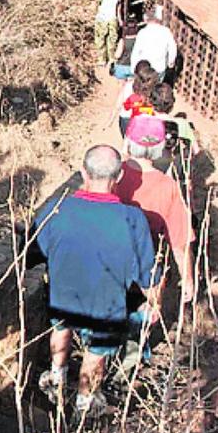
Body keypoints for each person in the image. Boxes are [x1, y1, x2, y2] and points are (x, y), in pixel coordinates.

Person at [32, 145, 160, 415]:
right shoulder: (132, 219)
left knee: (61, 329)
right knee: (96, 352)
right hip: (107, 303)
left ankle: (56, 377)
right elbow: (148, 274)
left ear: (83, 172)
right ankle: (86, 403)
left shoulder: (57, 209)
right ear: (120, 177)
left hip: (63, 297)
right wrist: (154, 303)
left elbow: (33, 251)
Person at [116, 116, 195, 305]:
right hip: (147, 262)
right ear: (160, 148)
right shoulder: (168, 186)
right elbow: (179, 243)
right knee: (150, 309)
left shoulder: (110, 174)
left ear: (127, 142)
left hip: (111, 258)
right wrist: (188, 278)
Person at [129, 4, 178, 81]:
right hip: (159, 68)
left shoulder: (142, 32)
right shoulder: (166, 31)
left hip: (144, 69)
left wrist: (133, 68)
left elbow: (136, 51)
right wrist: (170, 61)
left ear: (146, 19)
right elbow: (172, 48)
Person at [115, 61, 159, 138]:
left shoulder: (129, 86)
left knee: (129, 143)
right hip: (144, 121)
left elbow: (122, 104)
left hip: (126, 118)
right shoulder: (153, 91)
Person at [93, 0, 122, 70]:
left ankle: (111, 59)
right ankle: (101, 60)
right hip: (101, 19)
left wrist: (119, 20)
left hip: (112, 19)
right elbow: (96, 5)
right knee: (100, 39)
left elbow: (118, 9)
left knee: (112, 40)